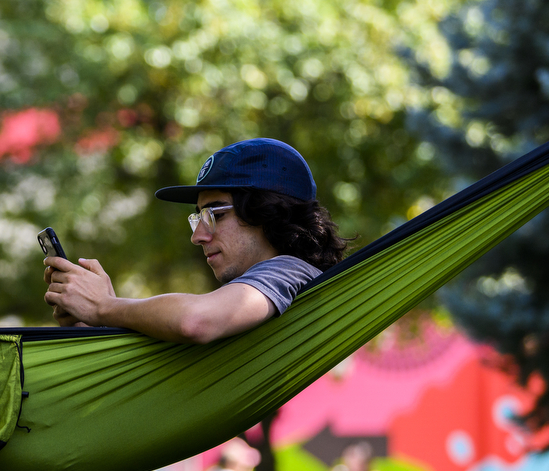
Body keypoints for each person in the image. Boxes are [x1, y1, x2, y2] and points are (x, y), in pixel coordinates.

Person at [43, 138, 347, 341]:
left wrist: (104, 306)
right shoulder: (260, 297)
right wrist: (94, 320)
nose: (198, 236)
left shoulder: (290, 270)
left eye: (215, 215)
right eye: (197, 217)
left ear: (269, 214)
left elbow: (194, 322)